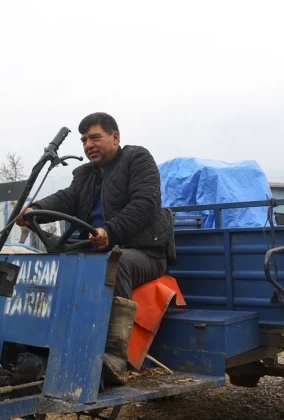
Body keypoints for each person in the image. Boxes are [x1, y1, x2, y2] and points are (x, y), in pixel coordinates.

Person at [16, 112, 172, 385]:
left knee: (115, 264)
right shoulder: (84, 175)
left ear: (115, 137)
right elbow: (66, 199)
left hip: (145, 252)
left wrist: (110, 231)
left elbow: (145, 203)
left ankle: (113, 357)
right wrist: (35, 210)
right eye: (84, 140)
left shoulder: (137, 159)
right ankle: (43, 348)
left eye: (95, 137)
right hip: (98, 248)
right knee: (56, 265)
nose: (88, 145)